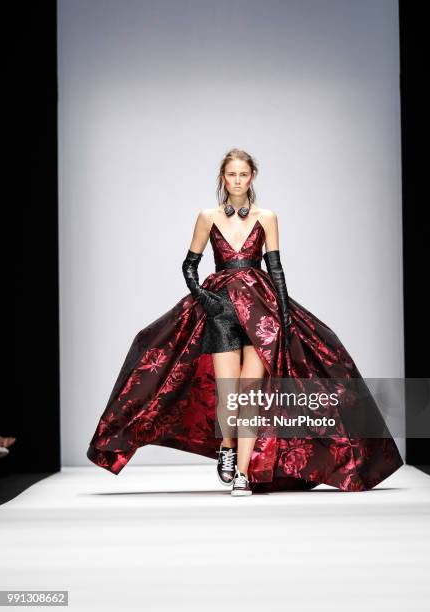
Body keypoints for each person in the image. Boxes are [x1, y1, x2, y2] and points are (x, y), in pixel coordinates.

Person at [87, 148, 403, 496]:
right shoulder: (207, 217)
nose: (237, 180)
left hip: (260, 310)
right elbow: (189, 265)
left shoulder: (267, 217)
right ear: (223, 178)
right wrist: (205, 298)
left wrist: (283, 315)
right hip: (220, 310)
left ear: (252, 177)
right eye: (231, 174)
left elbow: (276, 269)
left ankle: (241, 473)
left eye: (243, 174)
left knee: (249, 394)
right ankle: (226, 446)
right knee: (227, 395)